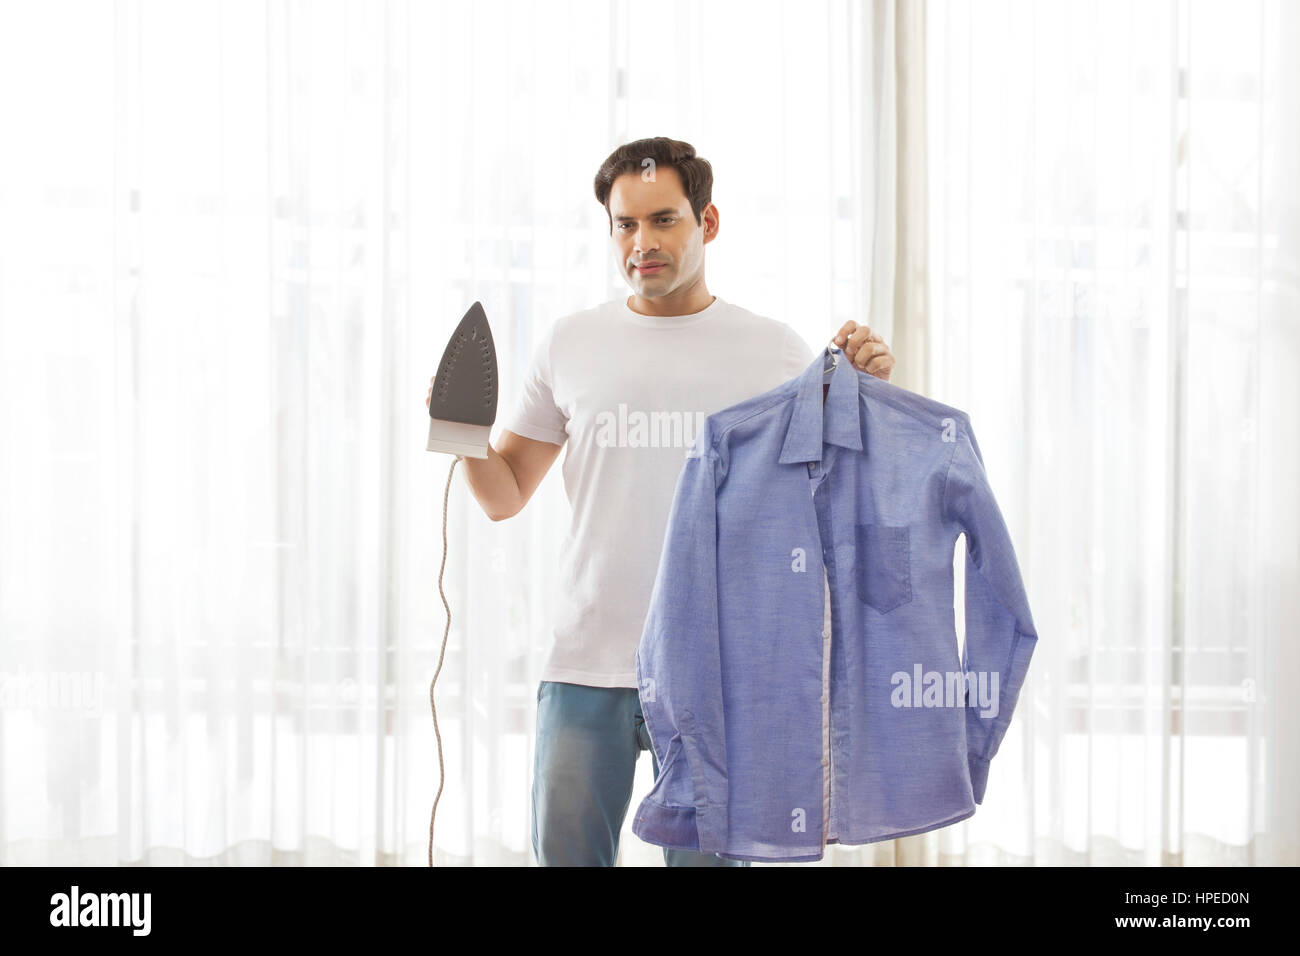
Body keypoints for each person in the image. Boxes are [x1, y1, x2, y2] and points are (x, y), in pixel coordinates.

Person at [425, 137, 896, 866]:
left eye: (664, 220)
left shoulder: (772, 351)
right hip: (587, 663)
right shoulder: (570, 343)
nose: (642, 242)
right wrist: (464, 436)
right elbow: (506, 494)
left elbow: (844, 492)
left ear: (708, 222)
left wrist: (869, 385)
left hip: (721, 671)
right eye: (625, 224)